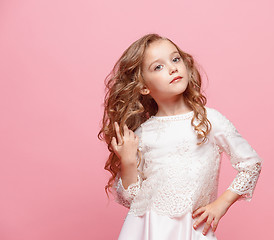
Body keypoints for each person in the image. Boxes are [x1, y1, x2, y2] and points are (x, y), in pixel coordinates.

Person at [98, 33, 263, 240]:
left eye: (175, 59)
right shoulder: (142, 134)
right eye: (158, 67)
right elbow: (131, 199)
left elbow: (251, 164)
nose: (173, 68)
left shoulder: (209, 120)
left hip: (191, 230)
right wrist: (128, 161)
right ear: (143, 87)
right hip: (146, 231)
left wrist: (221, 205)